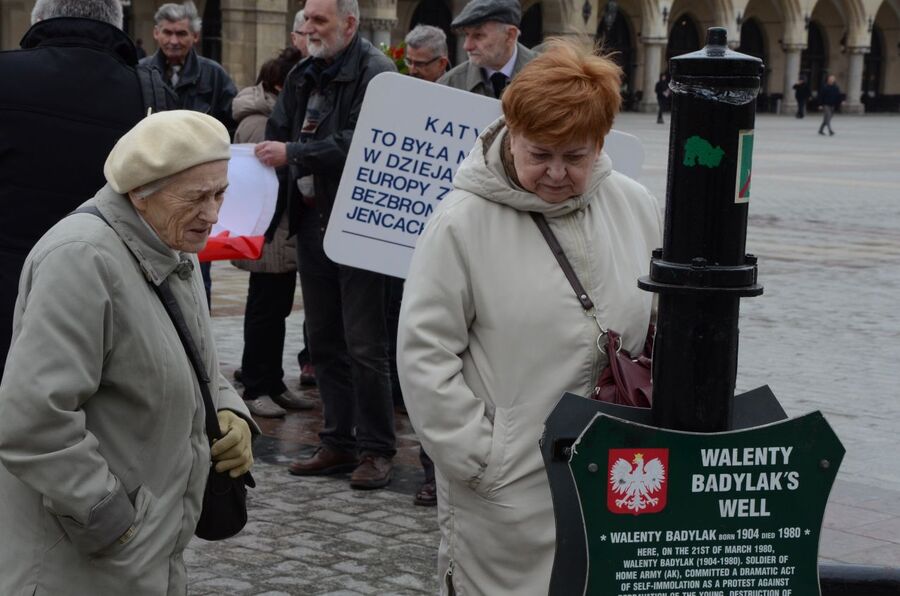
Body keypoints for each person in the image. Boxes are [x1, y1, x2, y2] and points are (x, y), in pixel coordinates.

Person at [398, 40, 662, 595]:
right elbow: (425, 355)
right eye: (540, 154)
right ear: (510, 133)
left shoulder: (634, 203)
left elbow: (662, 322)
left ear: (602, 143)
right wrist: (482, 459)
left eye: (577, 156)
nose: (558, 173)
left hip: (619, 474)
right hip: (511, 486)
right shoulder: (461, 224)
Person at [0, 110, 257, 593]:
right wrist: (115, 522)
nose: (214, 214)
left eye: (220, 192)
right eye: (197, 197)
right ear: (141, 192)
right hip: (79, 563)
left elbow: (194, 361)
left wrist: (231, 412)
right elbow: (32, 420)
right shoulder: (82, 258)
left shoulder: (170, 243)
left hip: (146, 554)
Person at [255, 0, 398, 489]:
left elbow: (363, 140)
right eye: (307, 20)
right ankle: (338, 440)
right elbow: (278, 130)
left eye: (320, 20)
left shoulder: (376, 70)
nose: (310, 29)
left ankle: (377, 449)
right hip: (313, 221)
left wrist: (294, 152)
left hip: (358, 223)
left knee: (365, 344)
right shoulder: (302, 74)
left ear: (350, 24)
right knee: (325, 342)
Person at [0, 0, 168, 378]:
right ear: (117, 21)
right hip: (107, 300)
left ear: (40, 19)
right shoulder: (151, 98)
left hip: (8, 293)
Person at [231, 50, 315, 418]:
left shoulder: (280, 115)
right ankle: (255, 386)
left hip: (279, 228)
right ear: (281, 84)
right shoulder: (259, 121)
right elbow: (261, 181)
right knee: (264, 309)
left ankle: (274, 382)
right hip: (266, 229)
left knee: (277, 308)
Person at [141, 1, 239, 305]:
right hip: (153, 188)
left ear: (194, 36)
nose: (173, 40)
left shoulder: (214, 76)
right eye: (167, 32)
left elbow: (230, 129)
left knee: (197, 270)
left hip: (198, 192)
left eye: (181, 33)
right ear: (156, 33)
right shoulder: (141, 72)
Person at [395, 23, 450, 507]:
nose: (412, 72)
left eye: (420, 65)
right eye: (408, 64)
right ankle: (431, 469)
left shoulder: (457, 93)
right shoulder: (403, 96)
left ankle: (443, 469)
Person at [438, 0, 536, 98]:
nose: (467, 46)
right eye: (466, 35)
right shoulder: (449, 85)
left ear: (510, 35)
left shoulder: (547, 74)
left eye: (478, 35)